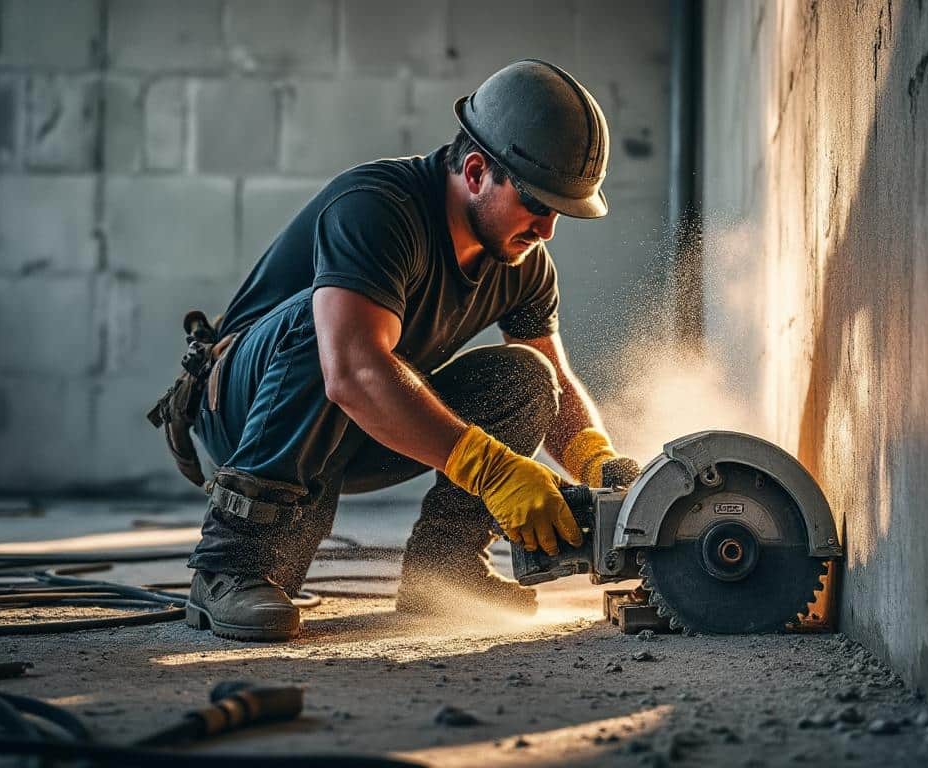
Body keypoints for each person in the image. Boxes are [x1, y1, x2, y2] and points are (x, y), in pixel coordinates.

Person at [163, 59, 641, 642]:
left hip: (357, 418)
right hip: (250, 411)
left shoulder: (522, 264)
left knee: (528, 378)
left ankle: (445, 570)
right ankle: (228, 566)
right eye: (538, 205)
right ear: (474, 171)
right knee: (332, 328)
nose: (547, 230)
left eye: (560, 213)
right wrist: (492, 470)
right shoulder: (376, 209)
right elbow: (351, 369)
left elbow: (559, 385)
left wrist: (604, 466)